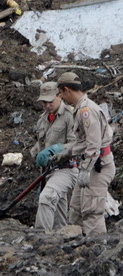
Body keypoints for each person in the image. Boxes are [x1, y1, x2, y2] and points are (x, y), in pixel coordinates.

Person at [53, 72, 115, 236]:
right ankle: (77, 249)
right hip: (89, 165)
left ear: (66, 90)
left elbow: (94, 145)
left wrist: (86, 170)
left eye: (60, 93)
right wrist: (67, 152)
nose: (61, 98)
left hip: (97, 167)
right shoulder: (81, 108)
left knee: (91, 211)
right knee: (76, 210)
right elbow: (83, 141)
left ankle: (98, 249)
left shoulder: (86, 110)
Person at [30, 82, 78, 232]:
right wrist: (37, 152)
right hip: (48, 171)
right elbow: (40, 142)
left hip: (66, 168)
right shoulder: (43, 118)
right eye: (44, 102)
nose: (47, 105)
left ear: (59, 96)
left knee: (47, 197)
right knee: (58, 212)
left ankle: (40, 236)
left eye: (50, 101)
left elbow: (76, 143)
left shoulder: (70, 116)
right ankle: (59, 243)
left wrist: (56, 150)